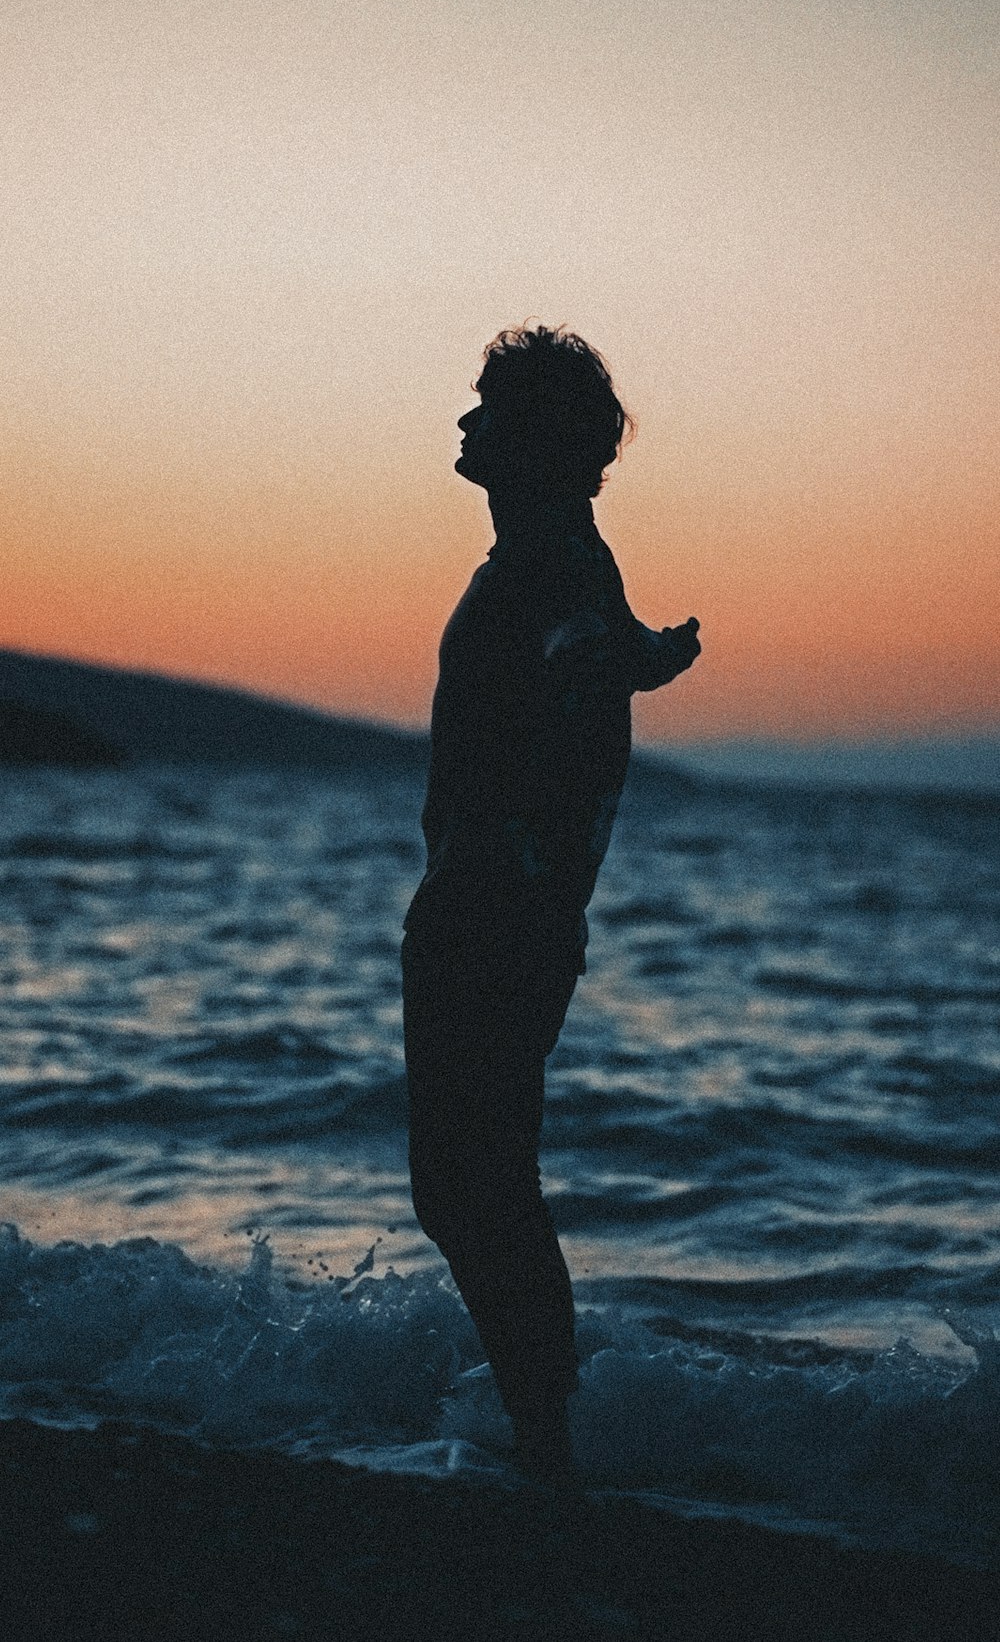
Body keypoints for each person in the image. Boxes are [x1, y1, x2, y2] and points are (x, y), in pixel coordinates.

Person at [401, 324, 700, 1484]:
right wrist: (637, 653)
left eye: (487, 408)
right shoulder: (555, 553)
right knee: (475, 1182)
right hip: (496, 909)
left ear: (536, 440)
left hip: (498, 914)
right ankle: (545, 1430)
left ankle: (548, 1441)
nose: (465, 424)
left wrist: (612, 659)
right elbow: (602, 642)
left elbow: (583, 645)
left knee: (473, 1184)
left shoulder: (553, 562)